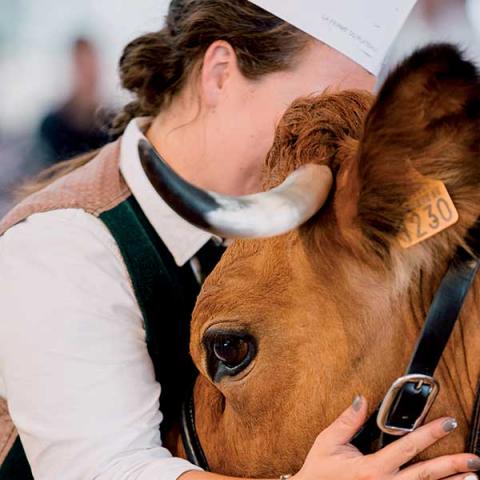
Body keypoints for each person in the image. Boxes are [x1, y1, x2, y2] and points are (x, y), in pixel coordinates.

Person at [0, 1, 478, 479]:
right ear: (221, 73)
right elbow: (106, 471)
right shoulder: (63, 246)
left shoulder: (302, 226)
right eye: (311, 106)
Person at [37, 37, 111, 165]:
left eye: (91, 65)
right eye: (82, 66)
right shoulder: (52, 125)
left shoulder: (112, 123)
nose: (88, 73)